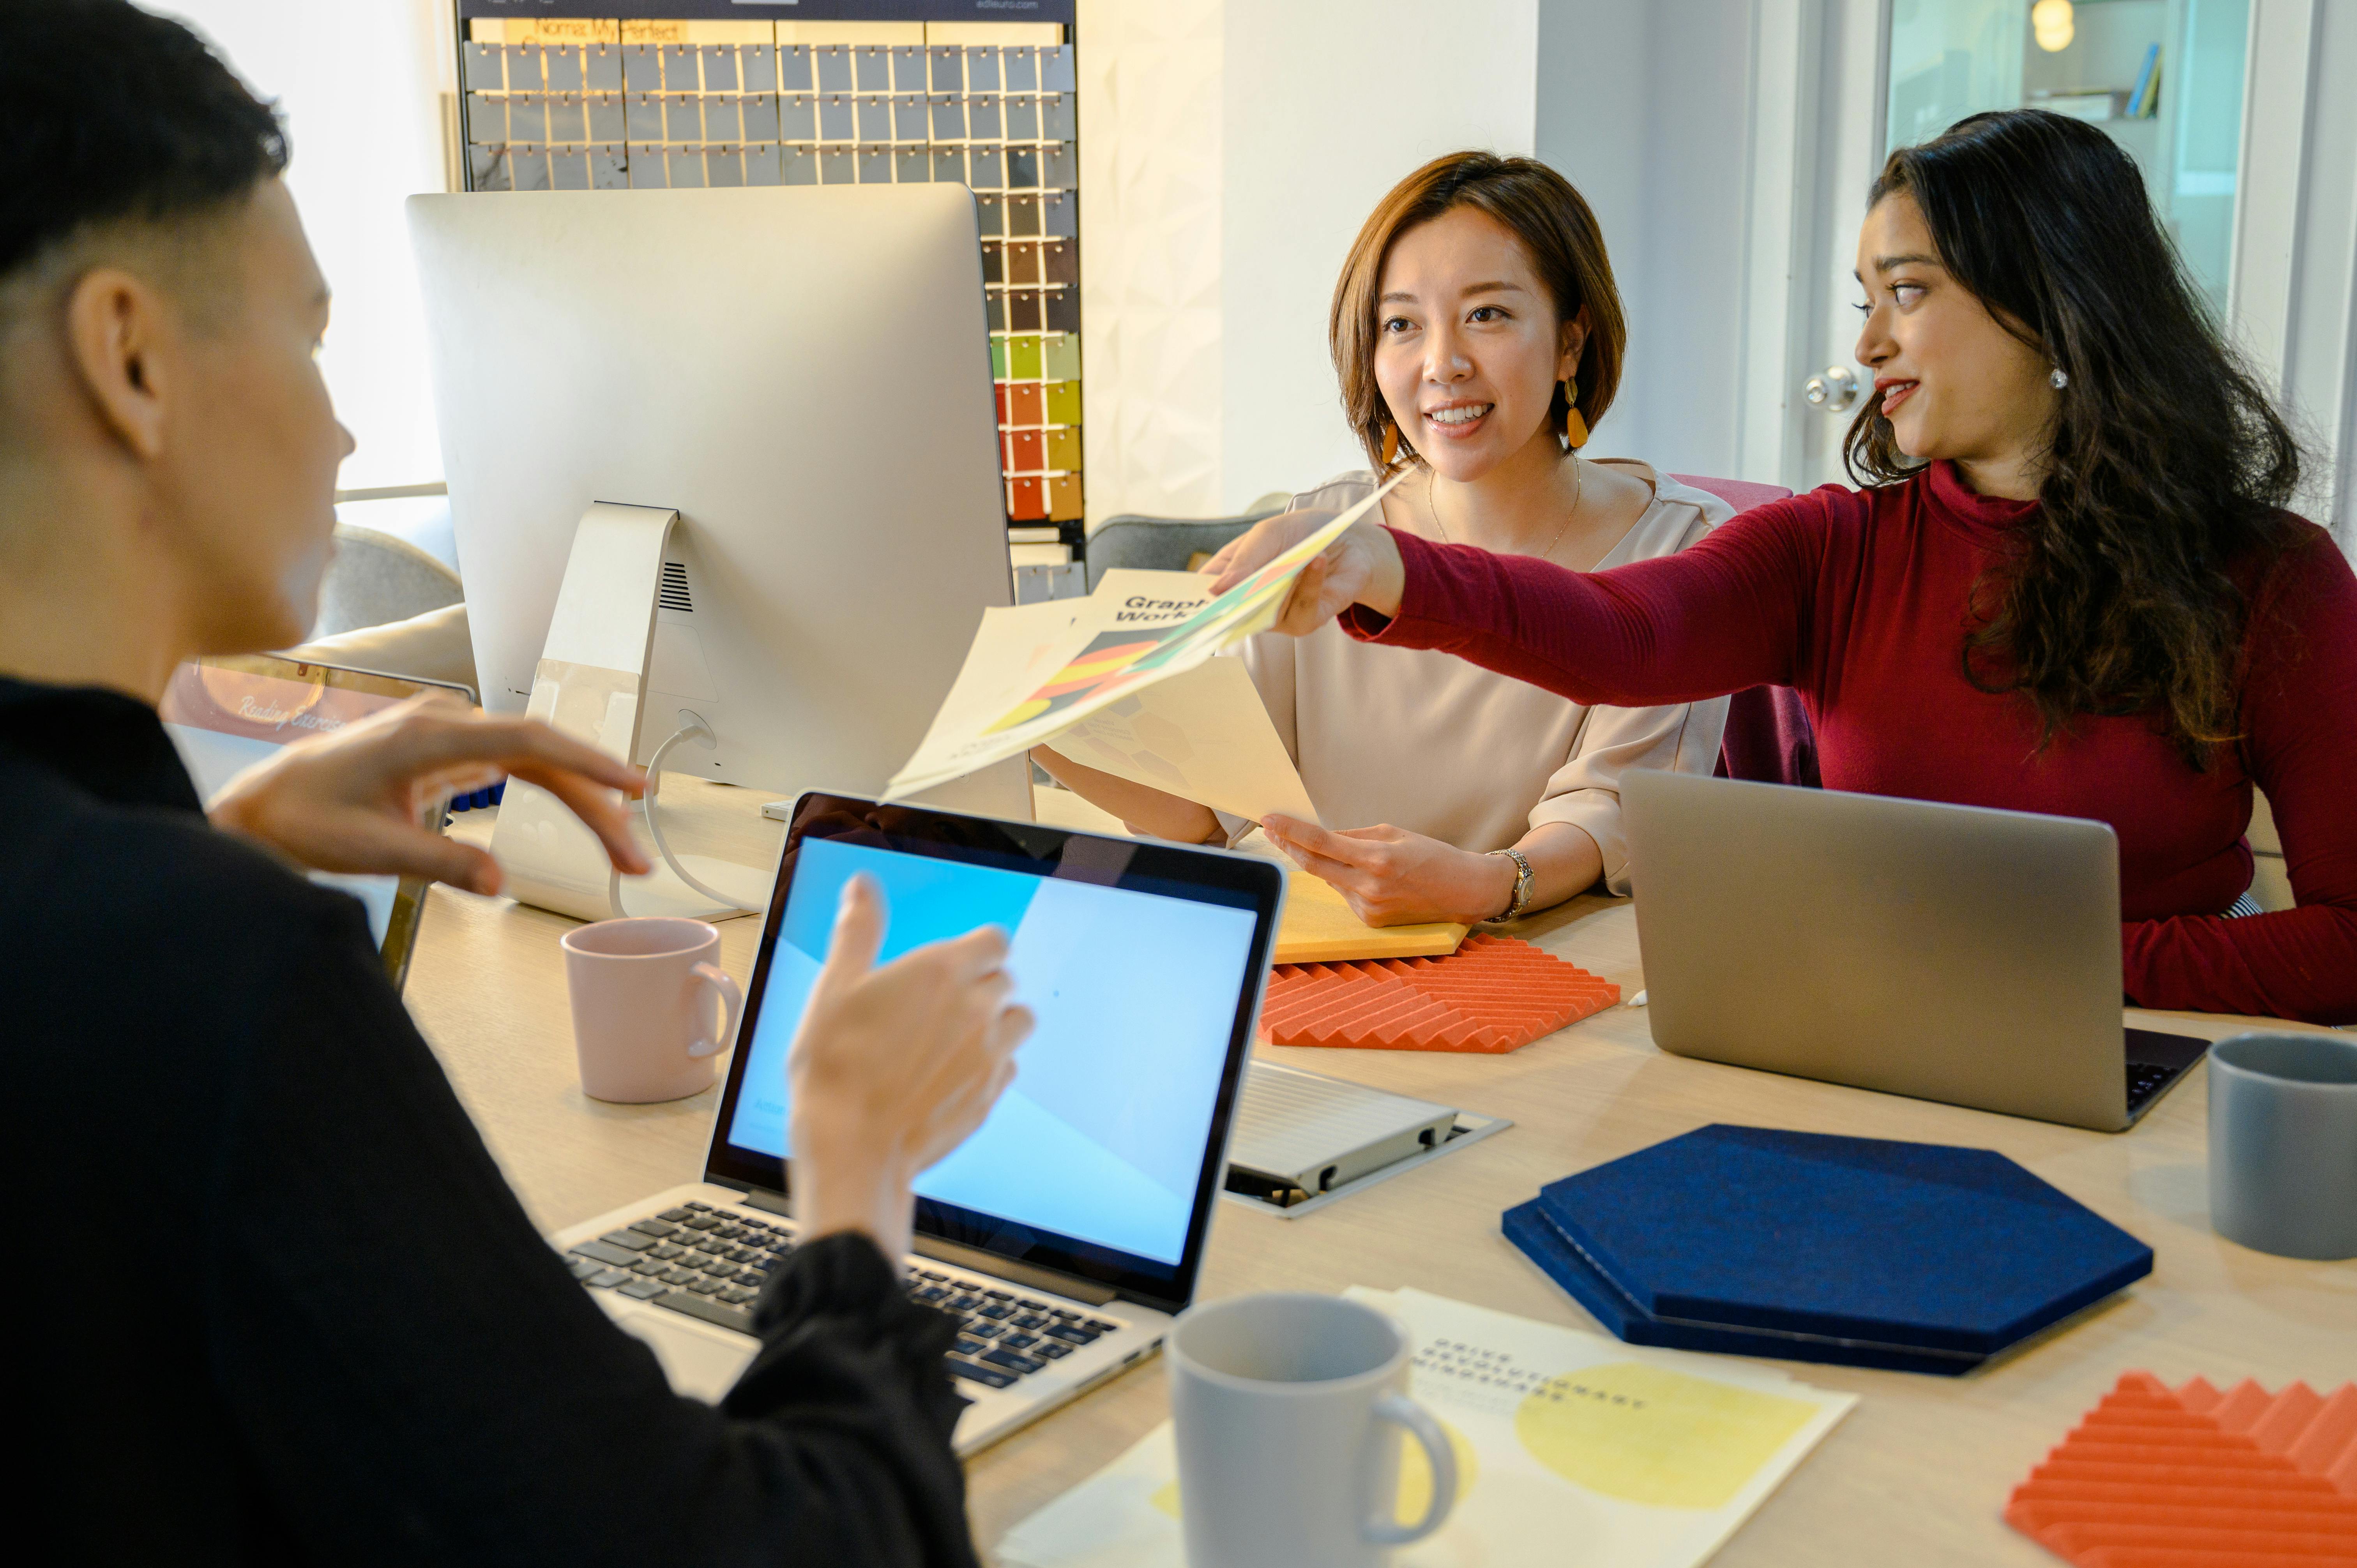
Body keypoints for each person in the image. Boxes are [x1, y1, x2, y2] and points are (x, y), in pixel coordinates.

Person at [1, 5, 1030, 1562]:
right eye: (312, 334)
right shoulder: (212, 971)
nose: (344, 425)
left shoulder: (135, 928)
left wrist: (215, 846)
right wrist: (853, 1179)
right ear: (131, 357)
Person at [1210, 110, 2357, 1027]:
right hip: (1875, 1025)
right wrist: (1384, 565)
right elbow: (1621, 635)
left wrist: (2053, 964)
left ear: (2056, 306)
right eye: (1867, 303)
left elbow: (2346, 938)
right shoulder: (1834, 550)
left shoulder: (2275, 577)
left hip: (2154, 1038)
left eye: (1908, 293)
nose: (1866, 345)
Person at [1037, 154, 1733, 928]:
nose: (1443, 365)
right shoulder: (1324, 532)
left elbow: (1615, 813)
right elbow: (1208, 808)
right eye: (1402, 325)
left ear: (1572, 342)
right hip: (1321, 972)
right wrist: (1038, 727)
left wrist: (1492, 881)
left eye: (1488, 315)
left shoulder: (1685, 548)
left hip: (1536, 964)